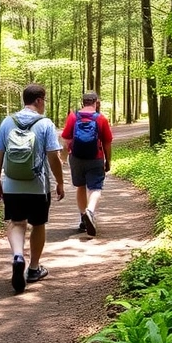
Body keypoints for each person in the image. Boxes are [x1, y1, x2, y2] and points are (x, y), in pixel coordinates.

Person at [0, 83, 65, 294]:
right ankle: (33, 269)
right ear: (39, 100)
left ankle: (17, 256)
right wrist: (59, 182)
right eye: (45, 101)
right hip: (38, 186)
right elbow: (54, 157)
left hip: (12, 184)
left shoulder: (7, 122)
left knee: (17, 223)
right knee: (38, 225)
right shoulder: (45, 124)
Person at [60, 91, 113, 237]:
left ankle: (83, 217)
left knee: (80, 187)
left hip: (76, 158)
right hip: (96, 157)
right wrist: (108, 161)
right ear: (96, 102)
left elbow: (66, 138)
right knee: (95, 188)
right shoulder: (101, 118)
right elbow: (107, 142)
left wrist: (64, 157)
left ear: (82, 102)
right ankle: (90, 210)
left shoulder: (73, 116)